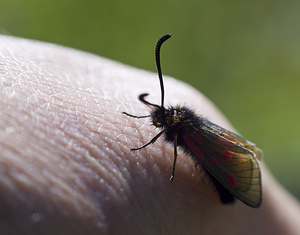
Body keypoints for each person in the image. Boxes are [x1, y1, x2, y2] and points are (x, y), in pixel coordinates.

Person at [1, 35, 299, 234]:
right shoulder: (178, 119)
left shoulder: (183, 127)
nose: (156, 122)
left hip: (227, 178)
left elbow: (169, 141)